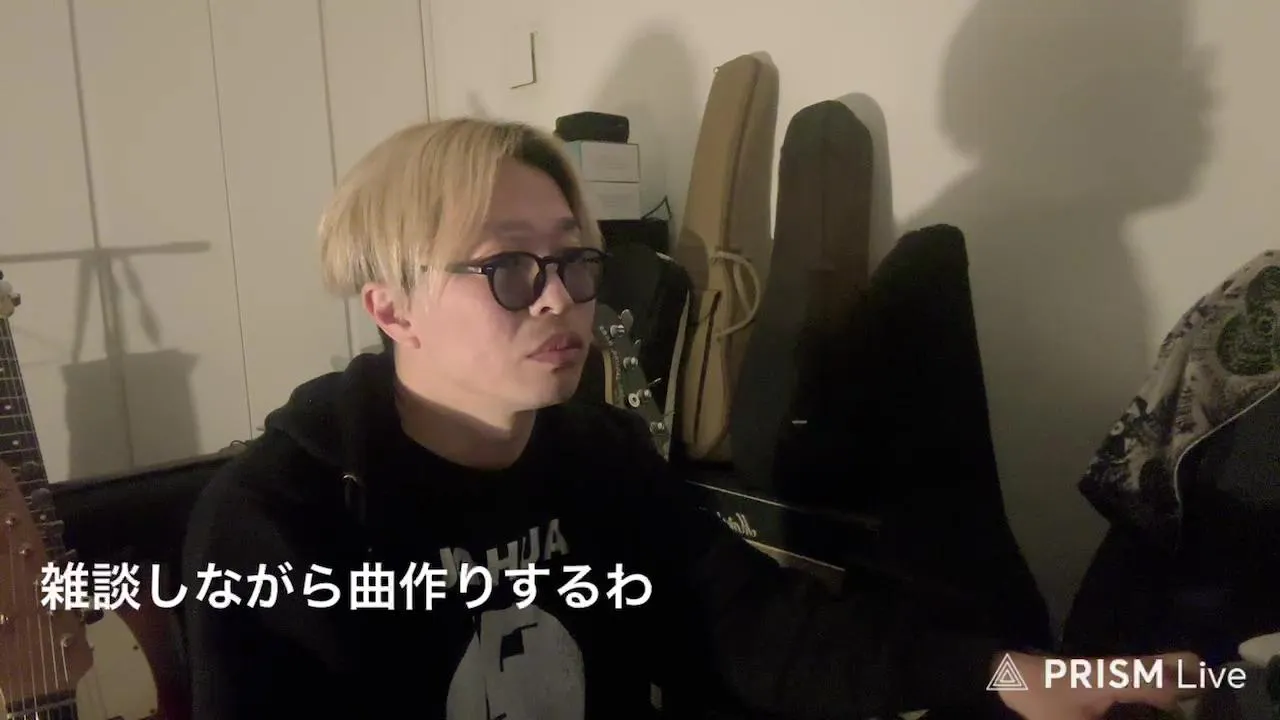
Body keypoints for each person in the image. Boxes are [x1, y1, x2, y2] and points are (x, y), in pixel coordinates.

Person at [182, 117, 1199, 719]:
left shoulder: (598, 461)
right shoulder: (277, 517)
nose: (560, 297)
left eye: (574, 259)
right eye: (508, 267)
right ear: (392, 307)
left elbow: (755, 629)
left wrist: (1012, 673)